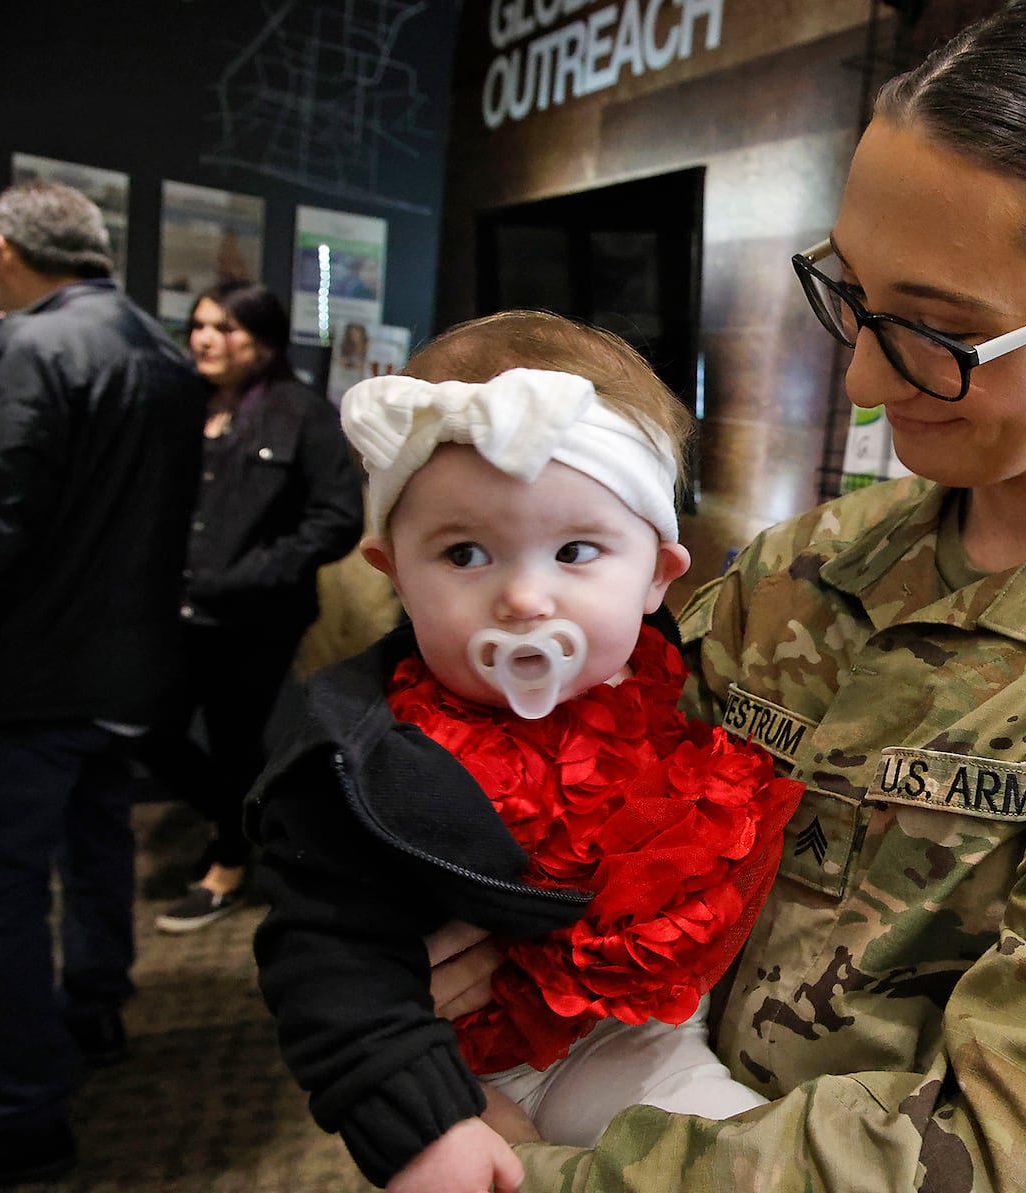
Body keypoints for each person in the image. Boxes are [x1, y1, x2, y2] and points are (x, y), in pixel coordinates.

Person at [430, 3, 1026, 1190]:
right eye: (851, 295)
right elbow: (594, 808)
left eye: (937, 334)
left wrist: (540, 1175)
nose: (863, 378)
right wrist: (465, 930)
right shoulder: (803, 566)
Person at [247, 310, 804, 1192]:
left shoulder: (674, 685)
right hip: (484, 1066)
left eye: (576, 550)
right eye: (465, 552)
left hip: (647, 1032)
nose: (525, 598)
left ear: (660, 573)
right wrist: (427, 1121)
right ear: (392, 570)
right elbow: (325, 955)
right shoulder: (362, 762)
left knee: (750, 1156)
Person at [0, 180, 203, 1187]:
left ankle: (14, 1106)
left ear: (4, 248)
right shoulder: (163, 354)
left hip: (26, 671)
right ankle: (95, 1008)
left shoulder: (29, 348)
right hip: (130, 664)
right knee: (98, 836)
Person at [145, 280, 363, 933]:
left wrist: (254, 572)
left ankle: (228, 866)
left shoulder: (301, 411)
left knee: (236, 737)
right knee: (151, 729)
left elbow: (337, 518)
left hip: (256, 615)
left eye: (225, 327)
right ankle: (250, 822)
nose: (205, 338)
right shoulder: (183, 402)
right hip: (175, 606)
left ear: (263, 341)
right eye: (199, 325)